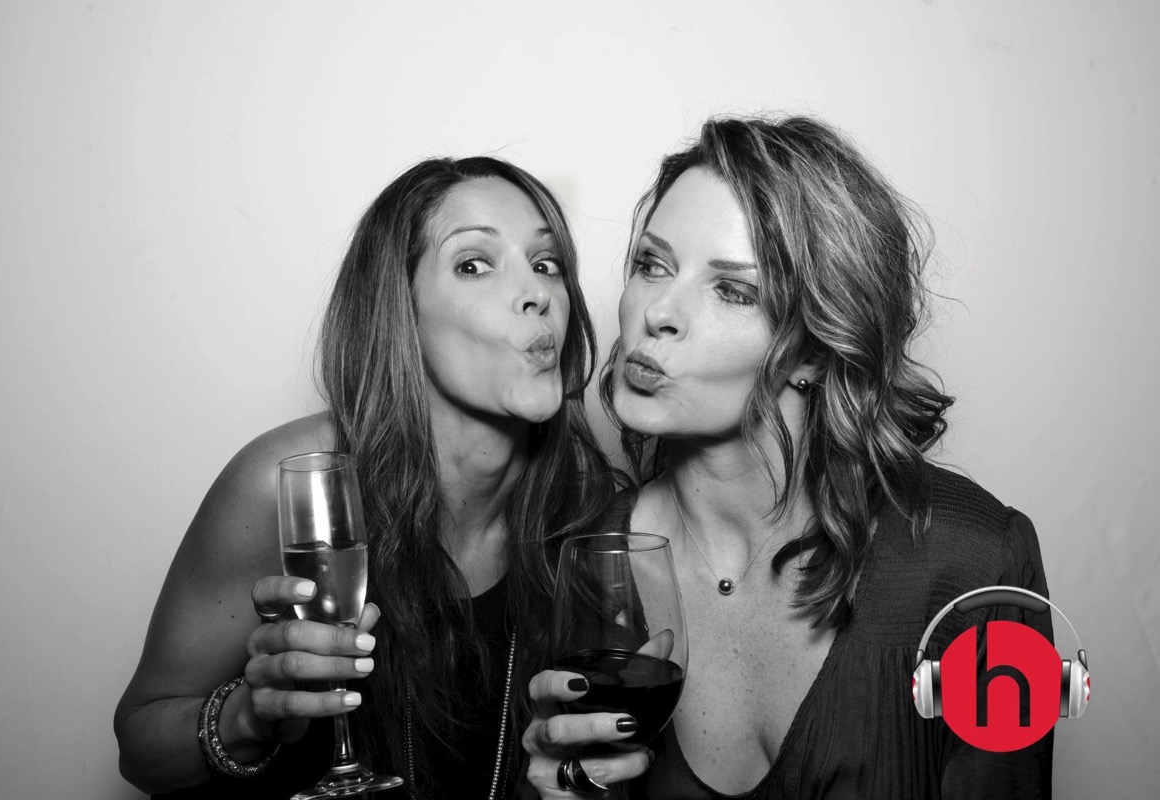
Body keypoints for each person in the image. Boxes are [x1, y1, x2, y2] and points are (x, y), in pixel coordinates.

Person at [523, 116, 1054, 799]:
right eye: (653, 265)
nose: (658, 312)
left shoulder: (979, 564)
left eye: (733, 290)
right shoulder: (585, 562)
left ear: (816, 346)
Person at [114, 156, 616, 799]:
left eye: (546, 264)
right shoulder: (286, 488)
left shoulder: (587, 506)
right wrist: (249, 715)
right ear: (399, 310)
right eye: (474, 264)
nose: (538, 293)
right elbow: (140, 745)